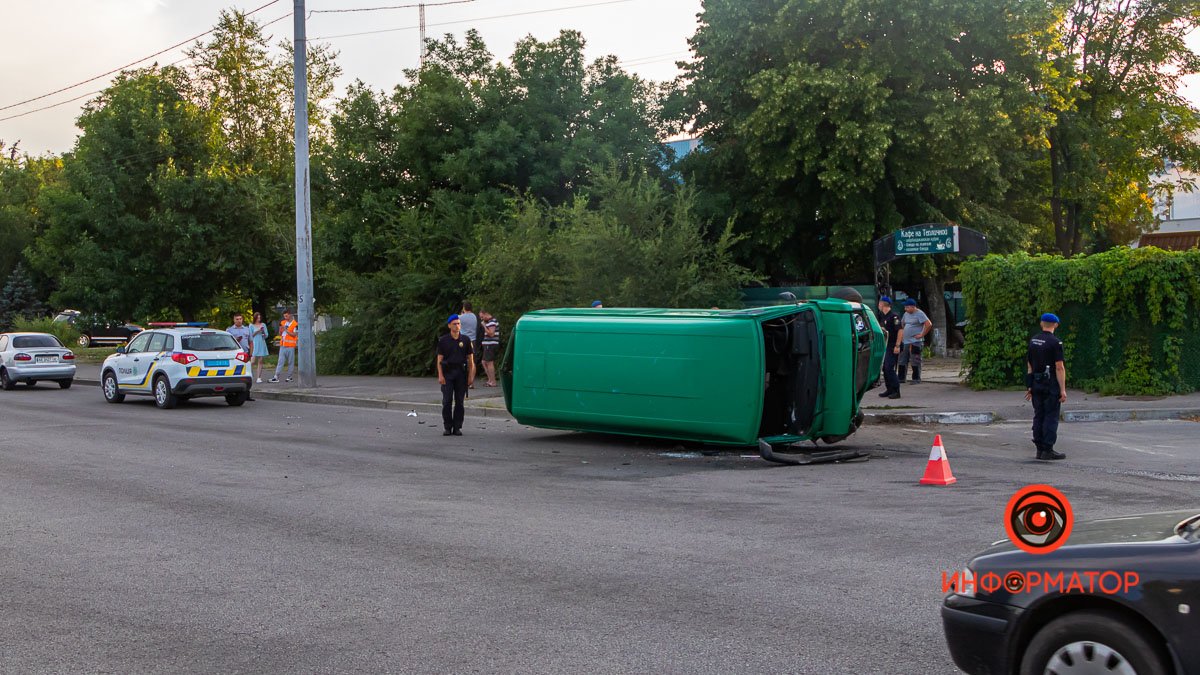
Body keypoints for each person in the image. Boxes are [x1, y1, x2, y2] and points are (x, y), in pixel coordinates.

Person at [1025, 313, 1068, 461]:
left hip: (1036, 383)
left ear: (1041, 324)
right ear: (1055, 325)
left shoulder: (1033, 340)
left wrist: (1029, 386)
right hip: (1050, 385)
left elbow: (1029, 365)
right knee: (1050, 416)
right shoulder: (1055, 343)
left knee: (1039, 415)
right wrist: (1062, 390)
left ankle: (1039, 449)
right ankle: (1047, 449)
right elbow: (1059, 367)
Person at [437, 314, 475, 436]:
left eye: (458, 323)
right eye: (454, 324)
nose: (457, 326)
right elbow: (439, 360)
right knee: (447, 401)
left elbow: (471, 360)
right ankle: (447, 427)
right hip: (448, 373)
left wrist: (470, 376)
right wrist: (440, 375)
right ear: (449, 326)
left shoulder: (466, 340)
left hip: (461, 373)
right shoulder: (443, 340)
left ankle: (457, 427)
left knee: (460, 402)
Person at [898, 298, 932, 384]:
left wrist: (922, 334)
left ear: (913, 307)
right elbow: (902, 323)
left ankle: (916, 378)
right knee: (902, 358)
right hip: (905, 340)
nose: (905, 309)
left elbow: (928, 324)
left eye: (907, 307)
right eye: (905, 307)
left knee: (915, 359)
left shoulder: (920, 314)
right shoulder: (906, 314)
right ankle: (901, 378)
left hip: (915, 341)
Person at [876, 296, 902, 399]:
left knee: (889, 367)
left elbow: (900, 330)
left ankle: (896, 391)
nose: (878, 305)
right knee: (884, 368)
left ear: (883, 304)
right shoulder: (882, 316)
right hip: (885, 345)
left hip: (892, 345)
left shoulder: (894, 316)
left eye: (879, 303)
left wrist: (897, 345)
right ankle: (889, 389)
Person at [270, 310, 298, 383]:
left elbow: (294, 334)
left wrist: (286, 330)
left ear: (290, 315)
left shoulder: (295, 324)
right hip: (283, 345)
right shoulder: (283, 322)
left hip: (291, 346)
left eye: (286, 316)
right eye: (284, 316)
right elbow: (280, 334)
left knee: (290, 362)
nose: (285, 317)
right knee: (280, 361)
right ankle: (276, 376)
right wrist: (280, 331)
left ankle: (289, 377)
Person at [459, 301, 479, 387]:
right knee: (472, 361)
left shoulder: (460, 317)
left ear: (464, 308)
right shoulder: (474, 316)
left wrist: (461, 313)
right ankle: (471, 382)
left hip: (463, 340)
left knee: (461, 360)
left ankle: (463, 380)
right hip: (473, 340)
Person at [480, 311, 500, 387]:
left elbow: (491, 334)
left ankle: (493, 382)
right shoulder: (489, 322)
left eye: (482, 317)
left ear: (486, 314)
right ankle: (490, 380)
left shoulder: (492, 321)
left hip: (490, 344)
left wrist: (484, 326)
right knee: (484, 362)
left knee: (489, 362)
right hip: (487, 345)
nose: (481, 319)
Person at [250, 312, 270, 383]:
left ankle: (258, 377)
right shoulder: (251, 325)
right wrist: (257, 331)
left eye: (259, 317)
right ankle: (249, 375)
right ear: (255, 318)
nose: (259, 319)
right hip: (254, 343)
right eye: (257, 318)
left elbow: (266, 335)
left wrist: (263, 332)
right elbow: (250, 335)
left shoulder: (263, 325)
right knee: (252, 361)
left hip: (261, 343)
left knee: (260, 361)